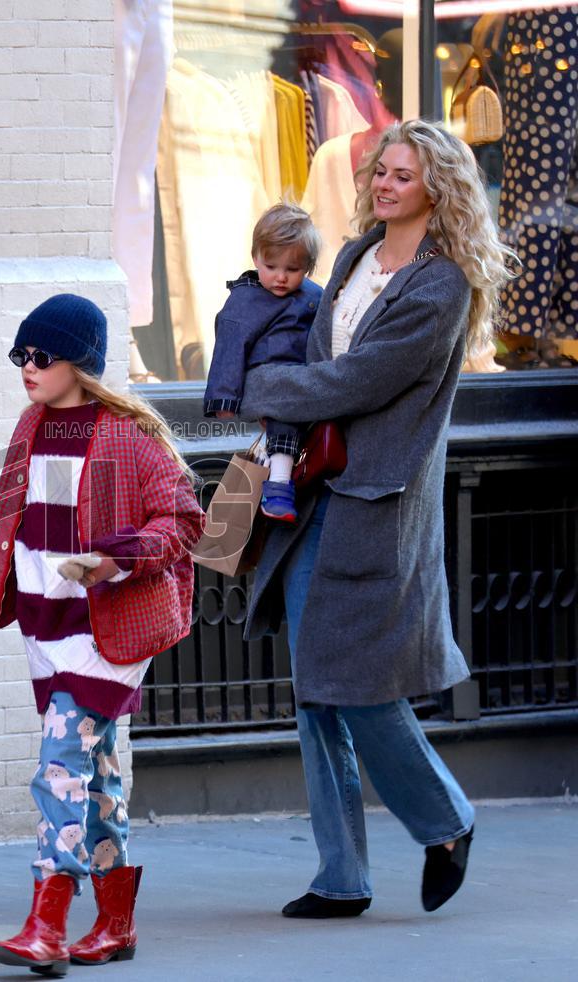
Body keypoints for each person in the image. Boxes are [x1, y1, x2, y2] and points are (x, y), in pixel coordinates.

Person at [239, 119, 515, 918]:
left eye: (403, 174)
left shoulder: (442, 284)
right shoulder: (358, 255)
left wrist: (261, 388)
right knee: (314, 691)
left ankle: (446, 819)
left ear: (438, 187)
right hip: (312, 488)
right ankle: (340, 874)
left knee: (354, 684)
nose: (385, 183)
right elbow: (325, 356)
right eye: (382, 170)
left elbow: (359, 379)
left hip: (376, 503)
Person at [0, 294, 204, 974]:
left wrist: (114, 558)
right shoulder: (32, 428)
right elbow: (7, 518)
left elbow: (182, 521)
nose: (27, 368)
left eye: (41, 356)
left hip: (109, 631)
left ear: (82, 362)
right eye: (20, 356)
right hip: (48, 628)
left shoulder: (128, 437)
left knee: (58, 768)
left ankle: (48, 923)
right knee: (95, 778)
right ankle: (116, 924)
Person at [202, 202, 324, 523]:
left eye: (293, 270)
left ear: (308, 268)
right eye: (271, 266)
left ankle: (277, 468)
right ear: (256, 257)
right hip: (271, 381)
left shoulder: (313, 296)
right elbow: (229, 347)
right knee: (283, 403)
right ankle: (278, 484)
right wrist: (224, 398)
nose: (281, 277)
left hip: (307, 381)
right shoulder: (245, 300)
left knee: (292, 412)